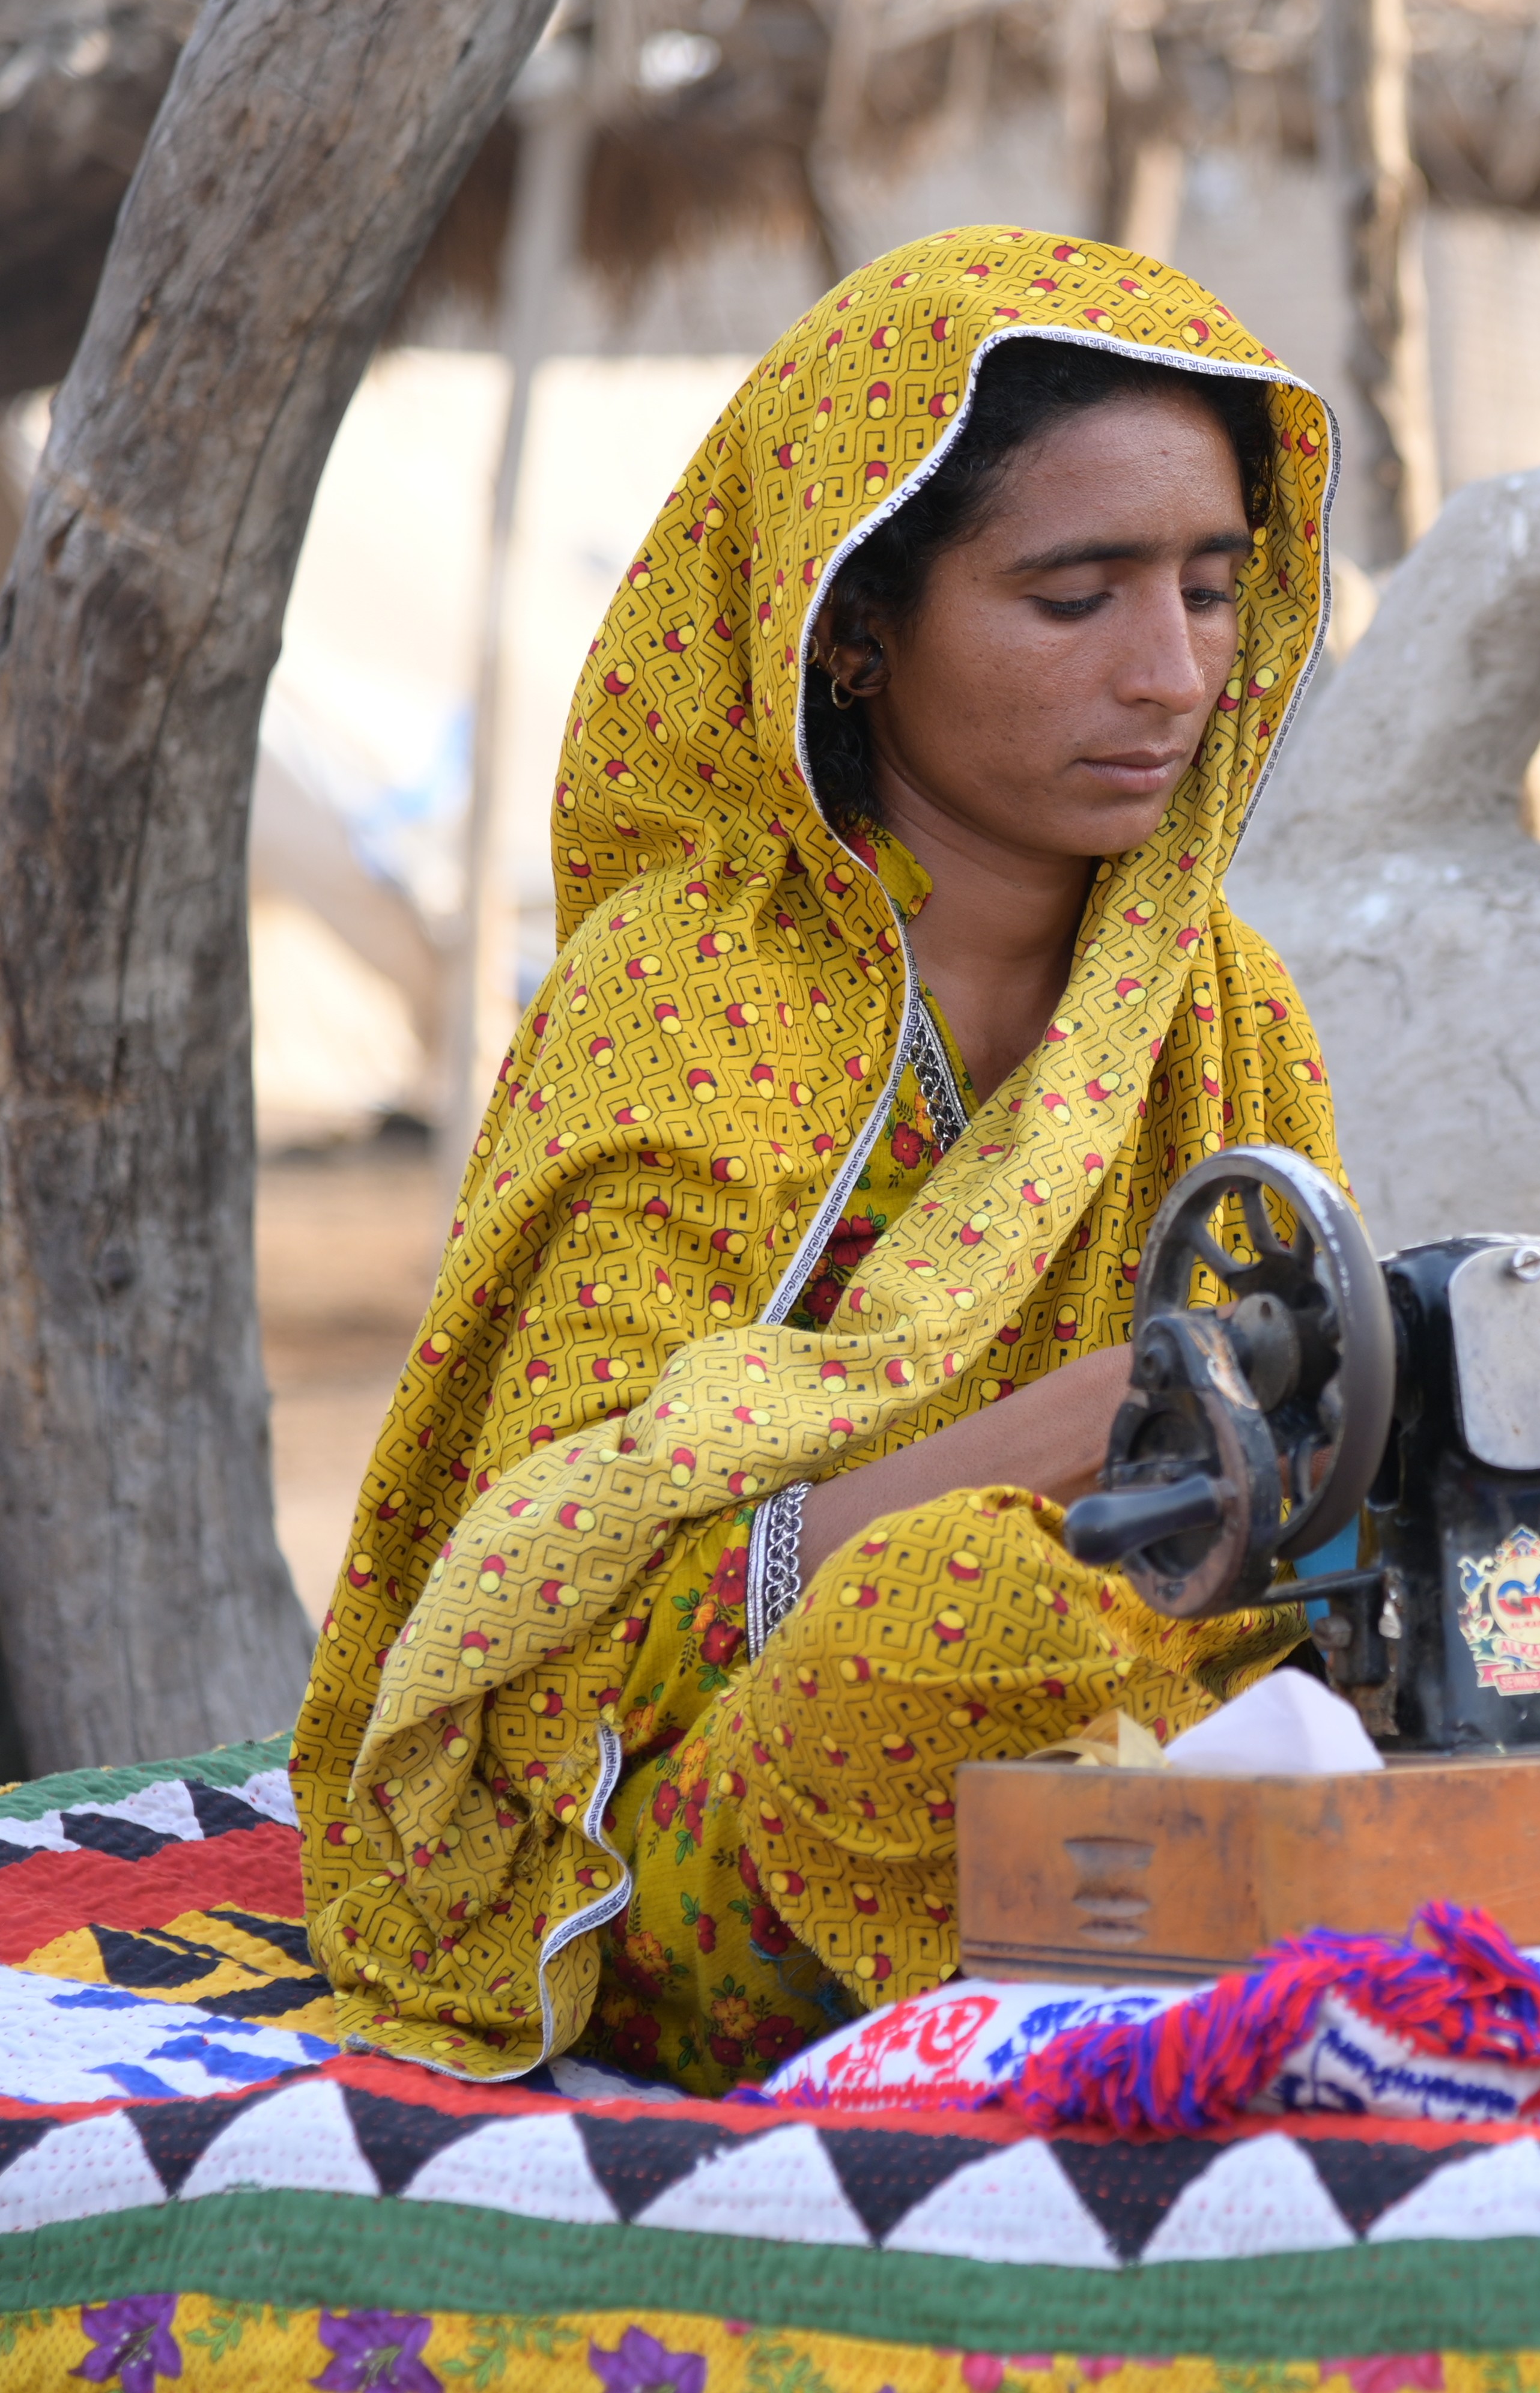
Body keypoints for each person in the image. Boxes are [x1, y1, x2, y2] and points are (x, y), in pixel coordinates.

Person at [298, 231, 1342, 2090]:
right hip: (713, 1801)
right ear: (851, 631)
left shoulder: (1218, 1007)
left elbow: (1306, 1481)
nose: (1174, 673)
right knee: (957, 1628)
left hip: (1158, 1704)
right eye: (1073, 597)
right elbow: (555, 1643)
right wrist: (1068, 1439)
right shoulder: (694, 995)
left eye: (1209, 588)